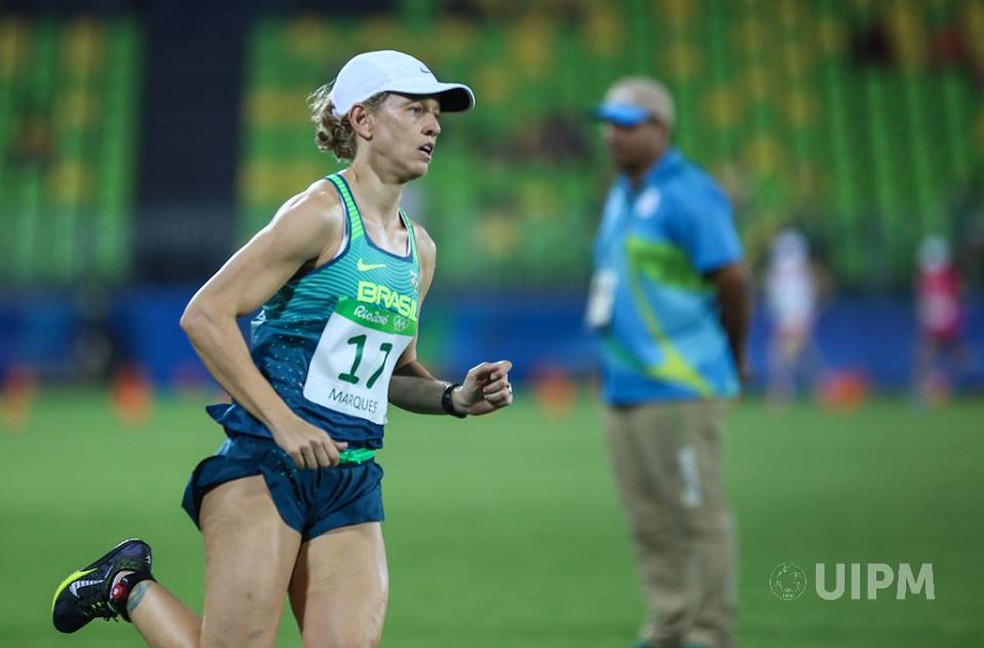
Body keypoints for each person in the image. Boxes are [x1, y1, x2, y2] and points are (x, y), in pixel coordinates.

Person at [51, 49, 514, 648]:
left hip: (350, 479)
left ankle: (123, 583)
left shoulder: (418, 251)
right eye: (416, 109)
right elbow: (206, 315)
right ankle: (125, 585)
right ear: (363, 121)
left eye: (437, 114)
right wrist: (285, 422)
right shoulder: (319, 214)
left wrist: (454, 396)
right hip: (267, 463)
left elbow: (393, 374)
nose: (435, 125)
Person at [586, 77, 750, 648]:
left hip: (681, 383)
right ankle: (669, 622)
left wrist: (733, 357)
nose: (612, 134)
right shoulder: (621, 193)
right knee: (649, 518)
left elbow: (732, 277)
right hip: (626, 383)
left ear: (661, 128)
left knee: (696, 511)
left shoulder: (688, 192)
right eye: (607, 123)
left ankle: (708, 631)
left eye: (626, 124)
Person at [763, 227, 825, 406]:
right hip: (789, 315)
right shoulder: (787, 272)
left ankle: (782, 390)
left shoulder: (793, 272)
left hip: (795, 315)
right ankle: (818, 387)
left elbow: (803, 296)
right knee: (799, 352)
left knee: (786, 353)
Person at [913, 234, 965, 404]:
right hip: (938, 320)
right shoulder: (935, 277)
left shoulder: (943, 277)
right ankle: (931, 388)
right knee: (931, 353)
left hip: (942, 320)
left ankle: (935, 387)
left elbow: (953, 299)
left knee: (935, 353)